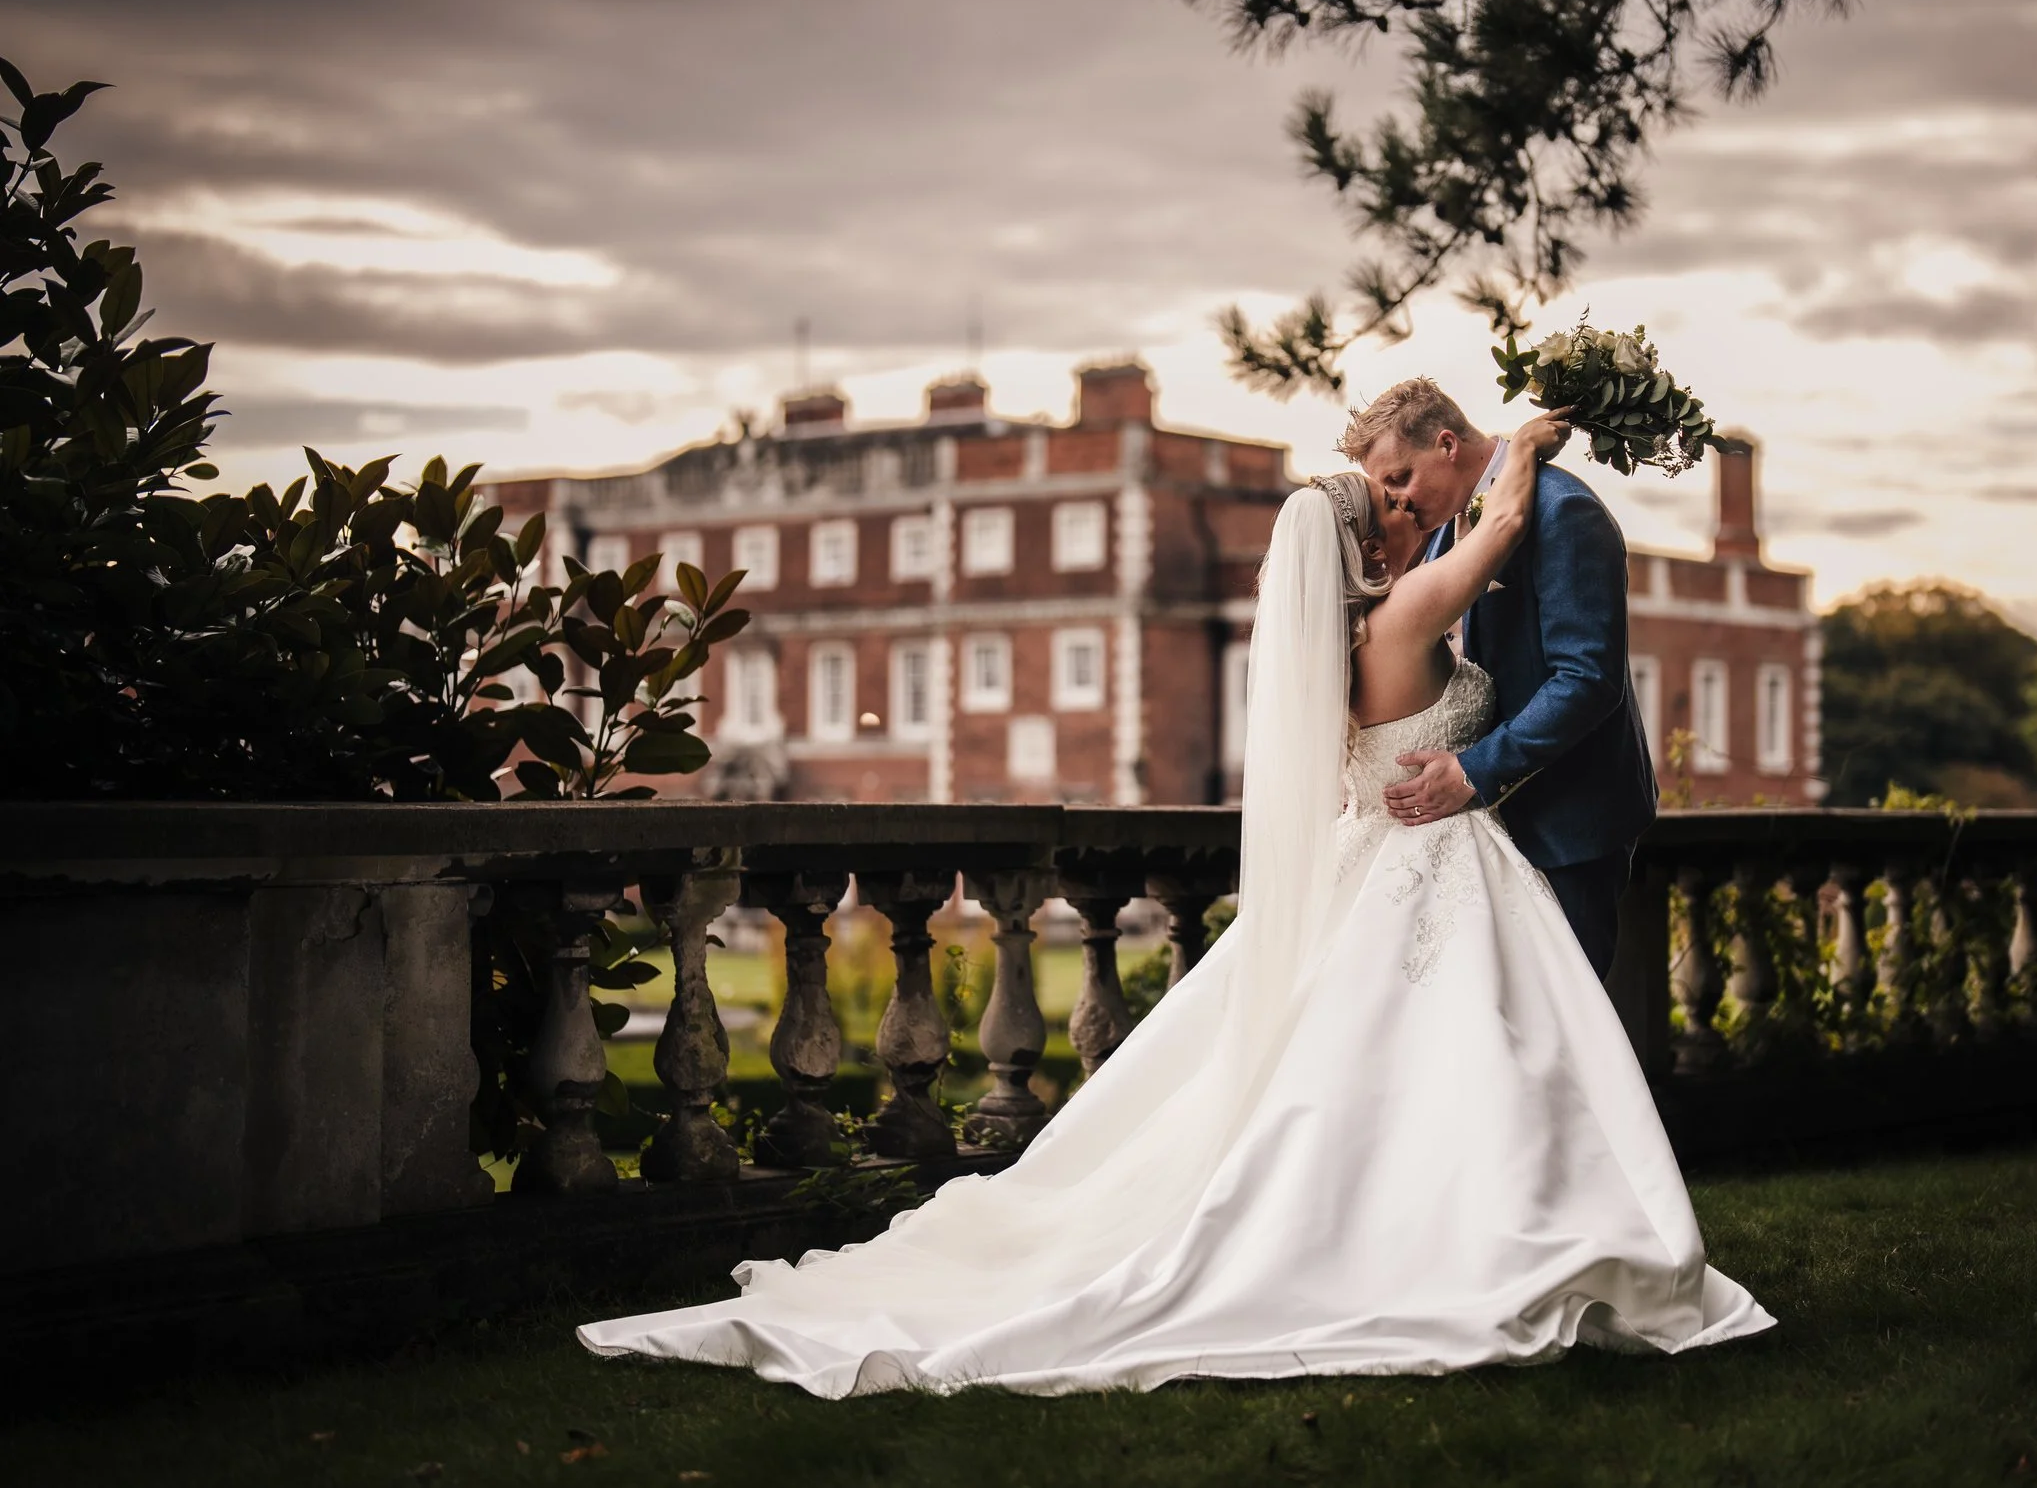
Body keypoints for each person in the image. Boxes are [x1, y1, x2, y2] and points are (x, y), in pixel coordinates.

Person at [577, 406, 1771, 1396]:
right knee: (1482, 1071)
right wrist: (1533, 436)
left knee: (1405, 1076)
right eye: (1392, 503)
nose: (1411, 511)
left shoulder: (1349, 637)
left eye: (1408, 489)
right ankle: (1501, 1241)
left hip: (1401, 857)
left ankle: (1472, 1234)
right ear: (1363, 549)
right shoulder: (1413, 609)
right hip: (1434, 856)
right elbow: (1503, 523)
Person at [1348, 377, 1658, 980]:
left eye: (1401, 478)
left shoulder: (1563, 511)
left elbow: (1587, 680)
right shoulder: (1443, 531)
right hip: (1472, 839)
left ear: (1446, 445)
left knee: (1565, 1018)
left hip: (1564, 827)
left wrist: (1472, 771)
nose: (1399, 502)